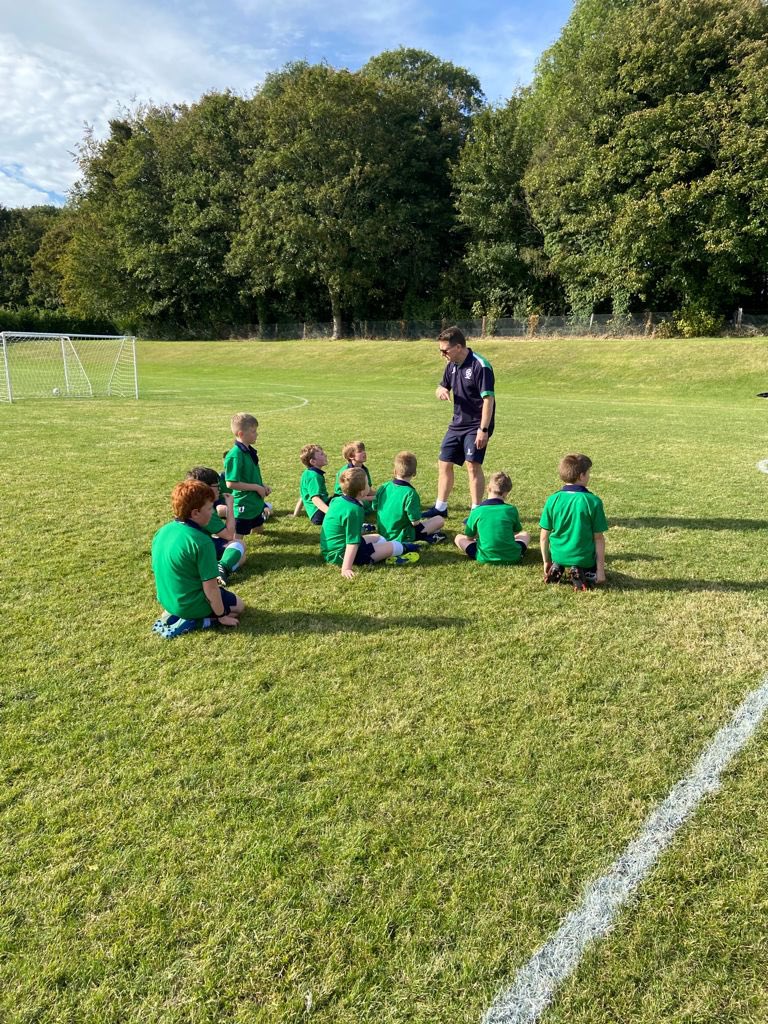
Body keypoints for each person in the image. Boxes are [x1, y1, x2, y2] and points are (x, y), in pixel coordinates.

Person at [151, 479, 244, 637]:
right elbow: (211, 587)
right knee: (239, 606)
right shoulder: (201, 541)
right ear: (195, 513)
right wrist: (221, 616)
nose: (213, 512)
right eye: (209, 508)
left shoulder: (163, 531)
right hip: (189, 605)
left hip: (167, 600)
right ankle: (198, 621)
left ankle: (178, 613)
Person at [423, 325, 496, 518]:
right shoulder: (451, 366)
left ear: (458, 347)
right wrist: (441, 391)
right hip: (457, 424)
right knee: (444, 462)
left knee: (472, 465)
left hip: (476, 425)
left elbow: (489, 399)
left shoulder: (480, 365)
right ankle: (440, 507)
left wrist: (484, 429)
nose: (442, 355)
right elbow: (440, 387)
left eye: (444, 351)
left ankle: (475, 511)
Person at [320, 467, 420, 579]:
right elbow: (352, 542)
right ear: (362, 492)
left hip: (329, 549)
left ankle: (380, 550)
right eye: (368, 483)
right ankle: (405, 547)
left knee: (379, 537)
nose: (370, 486)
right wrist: (346, 568)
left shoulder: (337, 500)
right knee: (393, 545)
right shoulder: (354, 510)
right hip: (340, 554)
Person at [539, 453, 607, 590]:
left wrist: (547, 561)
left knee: (560, 556)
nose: (589, 476)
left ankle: (557, 566)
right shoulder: (593, 501)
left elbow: (544, 537)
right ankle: (582, 571)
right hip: (583, 557)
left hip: (557, 555)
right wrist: (601, 571)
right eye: (588, 473)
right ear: (581, 476)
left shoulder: (553, 499)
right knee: (591, 567)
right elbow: (598, 539)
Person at [185, 466, 246, 586]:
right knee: (239, 544)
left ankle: (221, 565)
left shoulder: (189, 502)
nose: (219, 489)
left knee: (241, 557)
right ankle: (221, 567)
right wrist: (230, 506)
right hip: (198, 550)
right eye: (216, 486)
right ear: (204, 487)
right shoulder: (204, 511)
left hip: (188, 548)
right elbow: (229, 535)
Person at [454, 471, 530, 565]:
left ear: (488, 488)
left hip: (484, 557)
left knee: (458, 537)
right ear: (506, 493)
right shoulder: (511, 509)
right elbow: (516, 532)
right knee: (525, 534)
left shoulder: (477, 511)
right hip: (512, 557)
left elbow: (469, 537)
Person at [374, 451, 446, 545]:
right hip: (402, 535)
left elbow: (375, 507)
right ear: (414, 473)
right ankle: (425, 537)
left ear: (395, 471)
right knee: (439, 520)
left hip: (383, 532)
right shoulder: (410, 493)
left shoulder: (384, 486)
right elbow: (415, 522)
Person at [224, 413, 272, 540]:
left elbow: (250, 475)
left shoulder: (249, 450)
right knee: (236, 540)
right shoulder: (235, 455)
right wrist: (256, 488)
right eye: (253, 431)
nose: (257, 434)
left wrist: (262, 486)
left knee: (259, 529)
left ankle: (256, 523)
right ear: (241, 434)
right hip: (243, 505)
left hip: (255, 503)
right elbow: (230, 483)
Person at [333, 440, 376, 529]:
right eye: (360, 451)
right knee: (365, 504)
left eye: (364, 450)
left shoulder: (364, 469)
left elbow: (368, 489)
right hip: (345, 500)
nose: (364, 453)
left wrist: (381, 494)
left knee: (379, 501)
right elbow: (349, 495)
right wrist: (373, 498)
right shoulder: (347, 472)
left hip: (359, 496)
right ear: (351, 456)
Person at [298, 444, 331, 525]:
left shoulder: (307, 473)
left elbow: (303, 496)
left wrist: (295, 514)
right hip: (319, 514)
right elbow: (315, 499)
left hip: (316, 514)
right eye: (321, 454)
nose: (325, 455)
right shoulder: (314, 476)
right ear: (313, 461)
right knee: (342, 499)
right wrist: (331, 513)